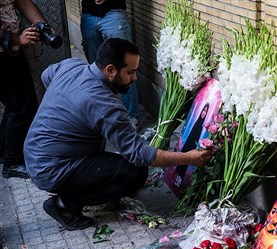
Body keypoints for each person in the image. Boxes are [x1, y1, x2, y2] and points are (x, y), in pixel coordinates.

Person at [23, 38, 213, 231]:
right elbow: (139, 154)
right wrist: (189, 158)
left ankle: (82, 188)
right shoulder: (105, 106)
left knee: (116, 163)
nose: (135, 78)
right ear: (111, 70)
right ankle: (65, 205)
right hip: (51, 169)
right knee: (135, 172)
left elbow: (47, 76)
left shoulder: (71, 66)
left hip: (34, 154)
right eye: (130, 72)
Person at [0, 0, 51, 179]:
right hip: (4, 50)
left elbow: (23, 1)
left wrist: (44, 26)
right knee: (22, 105)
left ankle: (5, 151)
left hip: (9, 48)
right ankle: (12, 163)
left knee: (17, 103)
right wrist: (18, 39)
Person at [80, 0, 141, 130]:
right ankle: (101, 114)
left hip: (114, 12)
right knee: (95, 69)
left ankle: (130, 116)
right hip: (87, 14)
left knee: (125, 67)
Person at [172, 103, 209, 187]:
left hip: (192, 147)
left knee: (186, 163)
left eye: (206, 111)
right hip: (188, 145)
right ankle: (175, 176)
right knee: (182, 159)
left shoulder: (203, 126)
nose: (203, 113)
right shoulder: (197, 122)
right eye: (203, 110)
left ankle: (179, 180)